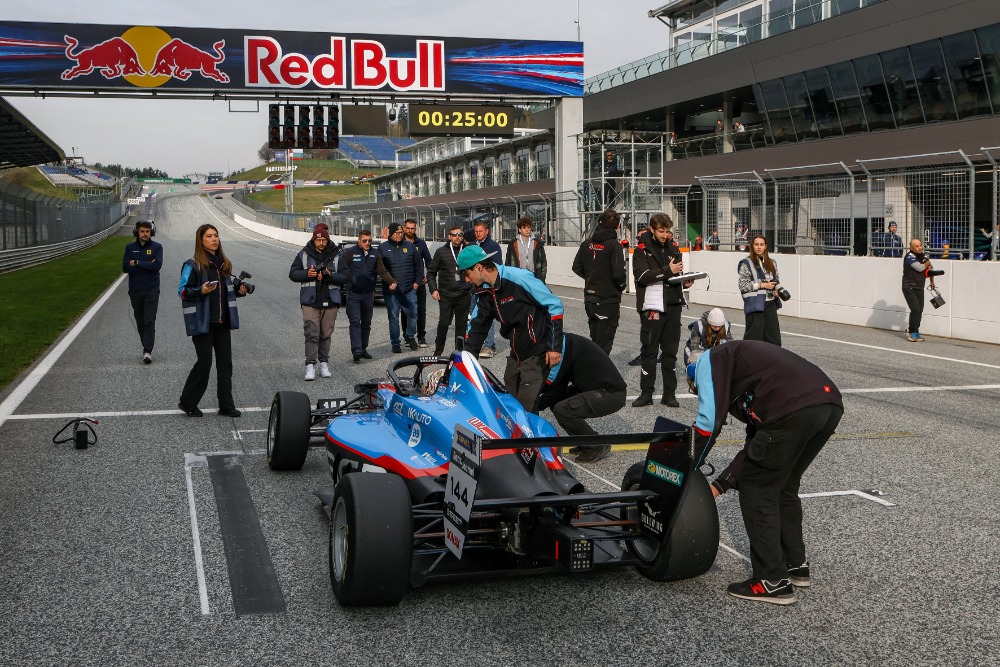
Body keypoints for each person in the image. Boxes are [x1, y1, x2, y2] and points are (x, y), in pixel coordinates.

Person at [687, 341, 843, 605]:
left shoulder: (707, 362)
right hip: (827, 404)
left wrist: (686, 468)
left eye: (696, 390)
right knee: (784, 485)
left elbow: (707, 424)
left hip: (793, 408)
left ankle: (771, 580)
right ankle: (795, 566)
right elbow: (756, 446)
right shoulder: (749, 377)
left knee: (758, 491)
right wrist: (720, 485)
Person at [459, 245, 564, 413]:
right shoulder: (484, 291)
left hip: (538, 350)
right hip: (516, 353)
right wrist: (468, 361)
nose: (466, 279)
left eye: (466, 273)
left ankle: (532, 431)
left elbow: (554, 306)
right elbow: (477, 327)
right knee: (509, 403)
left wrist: (554, 347)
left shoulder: (518, 277)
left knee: (526, 408)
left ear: (478, 267)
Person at [177, 224, 249, 418]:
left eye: (216, 235)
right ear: (200, 241)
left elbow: (225, 293)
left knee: (225, 364)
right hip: (203, 322)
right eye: (209, 236)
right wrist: (200, 290)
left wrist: (240, 292)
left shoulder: (224, 264)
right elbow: (182, 291)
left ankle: (226, 405)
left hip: (223, 322)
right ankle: (187, 402)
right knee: (204, 363)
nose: (214, 239)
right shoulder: (192, 264)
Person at [537, 332, 627, 463]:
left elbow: (554, 384)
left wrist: (532, 403)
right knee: (557, 402)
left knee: (563, 409)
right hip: (595, 389)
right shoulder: (565, 343)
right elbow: (557, 389)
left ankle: (595, 446)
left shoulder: (564, 348)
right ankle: (583, 441)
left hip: (610, 394)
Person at [632, 213, 686, 408]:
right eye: (661, 231)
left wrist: (685, 281)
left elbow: (675, 275)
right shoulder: (641, 250)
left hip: (673, 306)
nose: (665, 235)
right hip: (652, 307)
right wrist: (668, 270)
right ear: (652, 229)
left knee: (670, 353)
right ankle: (646, 393)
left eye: (667, 231)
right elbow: (642, 277)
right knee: (650, 352)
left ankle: (669, 394)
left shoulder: (673, 248)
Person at [289, 223, 346, 380]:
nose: (321, 243)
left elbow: (346, 276)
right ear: (313, 240)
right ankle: (310, 366)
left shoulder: (337, 254)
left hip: (331, 300)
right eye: (318, 240)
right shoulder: (304, 254)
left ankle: (324, 364)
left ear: (328, 240)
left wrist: (330, 275)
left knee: (326, 334)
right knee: (311, 333)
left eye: (323, 240)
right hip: (310, 301)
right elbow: (292, 274)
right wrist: (307, 274)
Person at [572, 208, 627, 354]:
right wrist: (621, 286)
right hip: (607, 299)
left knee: (595, 342)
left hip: (590, 299)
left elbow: (576, 267)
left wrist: (592, 278)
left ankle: (591, 366)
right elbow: (619, 274)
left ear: (600, 222)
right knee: (604, 345)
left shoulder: (586, 244)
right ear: (617, 226)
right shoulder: (614, 245)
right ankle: (597, 369)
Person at [377, 222, 424, 353]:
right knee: (393, 318)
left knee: (413, 314)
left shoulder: (409, 246)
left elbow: (419, 265)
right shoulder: (383, 248)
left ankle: (410, 336)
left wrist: (417, 282)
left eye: (401, 233)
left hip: (409, 288)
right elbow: (379, 269)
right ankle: (395, 343)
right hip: (391, 291)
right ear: (391, 233)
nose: (399, 235)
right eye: (396, 233)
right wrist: (389, 282)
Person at [122, 220, 162, 364]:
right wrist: (147, 264)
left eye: (147, 231)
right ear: (137, 232)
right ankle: (146, 346)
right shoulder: (130, 248)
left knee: (149, 320)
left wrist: (137, 262)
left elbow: (157, 266)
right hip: (135, 290)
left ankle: (147, 351)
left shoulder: (157, 247)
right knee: (140, 321)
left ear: (151, 232)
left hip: (152, 289)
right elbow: (126, 267)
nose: (145, 234)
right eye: (142, 231)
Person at [428, 224, 471, 357]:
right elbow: (431, 272)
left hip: (464, 294)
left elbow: (477, 270)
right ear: (449, 236)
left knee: (461, 325)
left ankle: (460, 351)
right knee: (444, 323)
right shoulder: (441, 251)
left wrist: (472, 289)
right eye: (454, 235)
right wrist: (433, 290)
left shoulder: (468, 251)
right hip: (446, 294)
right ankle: (438, 350)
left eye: (460, 235)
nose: (457, 237)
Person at [739, 235, 784, 346]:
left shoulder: (772, 263)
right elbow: (743, 286)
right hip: (755, 304)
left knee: (774, 339)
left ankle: (771, 357)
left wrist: (776, 291)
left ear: (765, 246)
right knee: (754, 339)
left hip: (770, 303)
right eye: (756, 244)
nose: (759, 247)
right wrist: (761, 285)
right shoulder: (746, 263)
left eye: (761, 245)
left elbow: (776, 280)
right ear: (752, 246)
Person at [467, 220, 502, 358]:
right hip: (474, 286)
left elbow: (497, 266)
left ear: (487, 231)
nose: (478, 233)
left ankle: (489, 345)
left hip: (487, 287)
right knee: (473, 313)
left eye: (480, 231)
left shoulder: (493, 246)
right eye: (476, 231)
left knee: (487, 314)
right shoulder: (471, 246)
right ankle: (474, 343)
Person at [342, 229, 378, 364]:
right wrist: (347, 282)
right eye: (365, 240)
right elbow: (341, 269)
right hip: (353, 294)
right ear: (359, 241)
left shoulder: (375, 253)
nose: (367, 243)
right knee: (355, 322)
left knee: (366, 323)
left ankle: (363, 349)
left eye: (370, 240)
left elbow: (381, 270)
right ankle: (356, 350)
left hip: (368, 294)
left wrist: (392, 281)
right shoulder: (350, 253)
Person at [400, 218, 433, 347]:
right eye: (408, 228)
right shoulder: (400, 242)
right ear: (404, 228)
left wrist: (428, 275)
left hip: (419, 282)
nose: (410, 231)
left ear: (416, 229)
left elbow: (429, 261)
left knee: (421, 310)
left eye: (412, 228)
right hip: (405, 282)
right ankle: (407, 336)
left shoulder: (421, 243)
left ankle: (421, 336)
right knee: (405, 310)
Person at [902, 238, 937, 342]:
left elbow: (930, 269)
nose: (920, 247)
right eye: (917, 246)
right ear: (911, 248)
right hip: (909, 287)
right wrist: (927, 263)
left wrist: (932, 281)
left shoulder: (923, 257)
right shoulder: (909, 257)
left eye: (920, 245)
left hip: (920, 286)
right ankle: (912, 332)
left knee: (920, 310)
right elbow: (920, 268)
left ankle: (916, 331)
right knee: (916, 309)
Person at [505, 217, 547, 282]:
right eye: (524, 228)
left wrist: (542, 278)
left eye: (528, 227)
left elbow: (543, 263)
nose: (527, 230)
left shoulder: (537, 243)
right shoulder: (513, 244)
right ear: (519, 229)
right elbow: (508, 262)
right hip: (518, 278)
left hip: (534, 278)